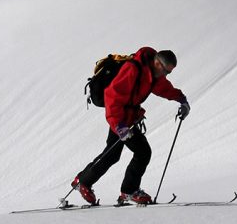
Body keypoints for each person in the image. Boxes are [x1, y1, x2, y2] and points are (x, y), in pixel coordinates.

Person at [71, 47, 190, 206]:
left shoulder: (153, 74)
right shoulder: (133, 69)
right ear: (157, 63)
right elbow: (112, 97)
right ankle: (129, 191)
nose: (166, 75)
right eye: (166, 71)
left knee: (112, 154)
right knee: (143, 152)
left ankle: (83, 181)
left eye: (169, 73)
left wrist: (182, 100)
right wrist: (119, 126)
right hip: (120, 119)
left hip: (127, 119)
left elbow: (164, 88)